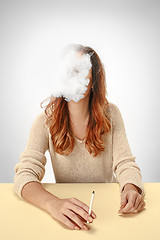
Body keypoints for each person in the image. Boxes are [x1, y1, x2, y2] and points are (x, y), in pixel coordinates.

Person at [14, 43, 146, 231]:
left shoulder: (112, 115)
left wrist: (131, 188)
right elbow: (24, 175)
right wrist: (53, 204)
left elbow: (125, 163)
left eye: (79, 69)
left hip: (110, 210)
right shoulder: (44, 122)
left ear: (93, 81)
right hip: (66, 213)